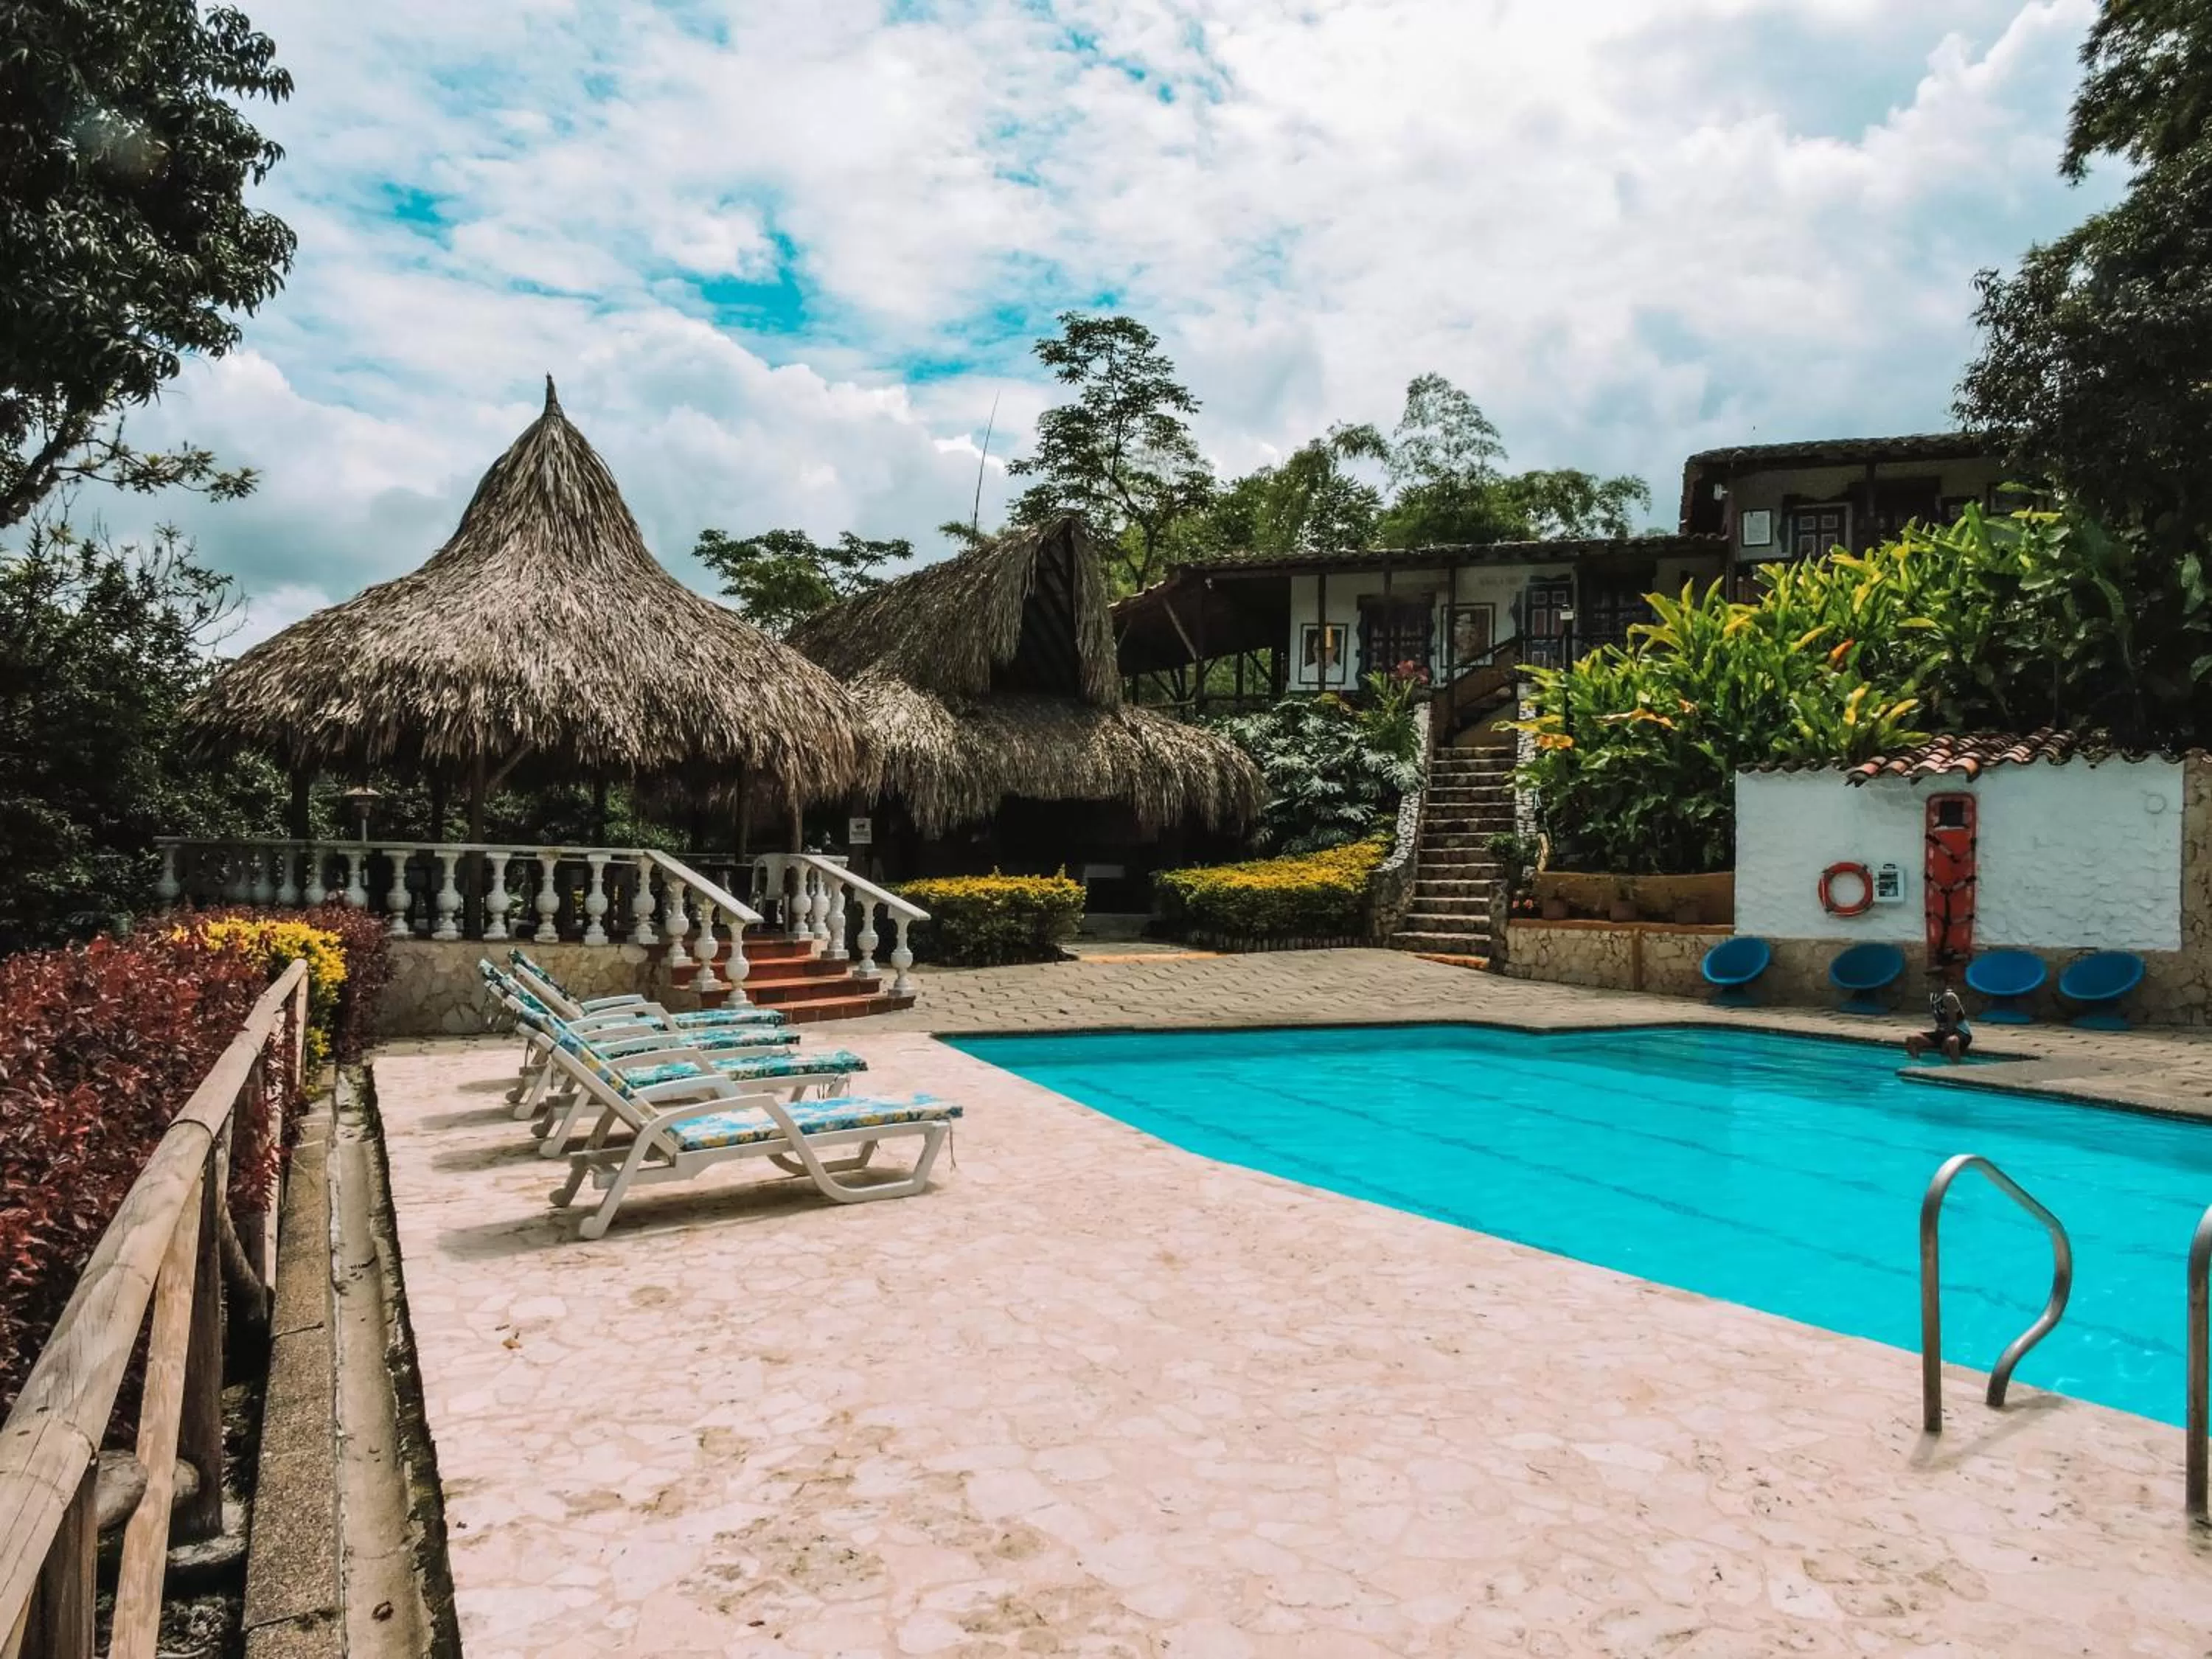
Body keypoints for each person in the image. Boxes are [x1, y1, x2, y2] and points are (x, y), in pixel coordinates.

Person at [1905, 976, 1971, 1062]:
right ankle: (1916, 1063)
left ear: (1941, 983)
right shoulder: (1933, 996)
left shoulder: (1949, 997)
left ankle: (1956, 1066)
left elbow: (1952, 1022)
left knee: (1952, 1041)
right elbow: (1940, 1019)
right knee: (1911, 1039)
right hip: (1942, 1033)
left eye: (1932, 981)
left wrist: (1944, 1042)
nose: (1928, 984)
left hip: (1959, 1032)